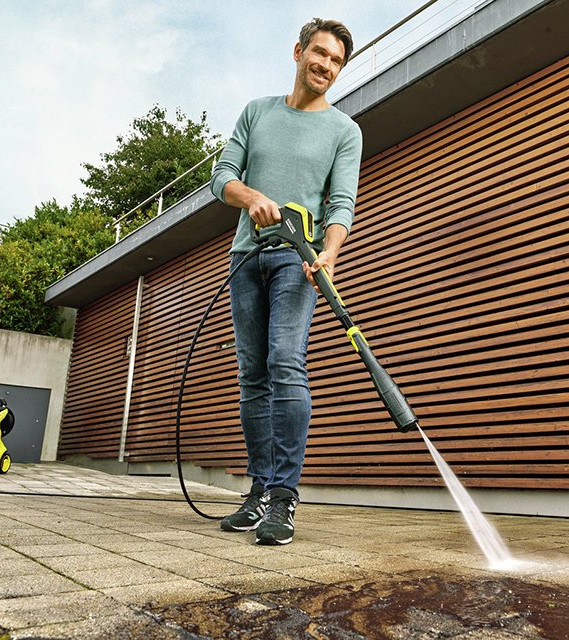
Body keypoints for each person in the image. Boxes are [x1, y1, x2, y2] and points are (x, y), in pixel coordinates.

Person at [209, 18, 362, 545]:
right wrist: (252, 198)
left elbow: (341, 203)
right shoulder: (257, 113)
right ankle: (259, 490)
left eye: (336, 61)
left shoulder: (345, 131)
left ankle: (283, 497)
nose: (325, 66)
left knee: (284, 362)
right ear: (297, 52)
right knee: (252, 374)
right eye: (318, 53)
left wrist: (330, 252)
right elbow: (221, 176)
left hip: (299, 262)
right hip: (245, 258)